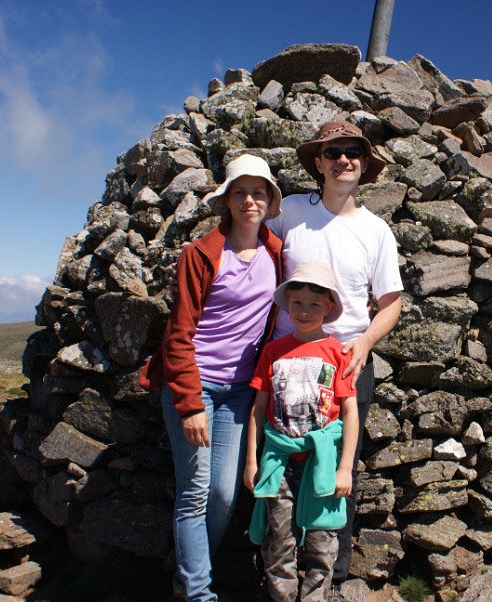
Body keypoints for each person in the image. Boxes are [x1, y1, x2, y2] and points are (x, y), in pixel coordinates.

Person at [267, 120, 403, 598]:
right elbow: (253, 249)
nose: (344, 159)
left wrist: (363, 344)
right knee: (279, 471)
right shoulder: (288, 213)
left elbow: (391, 303)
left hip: (346, 363)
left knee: (338, 471)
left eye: (353, 152)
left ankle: (331, 581)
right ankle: (280, 579)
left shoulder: (375, 230)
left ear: (363, 165)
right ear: (318, 163)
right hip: (284, 364)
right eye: (334, 152)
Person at [139, 154, 284, 601]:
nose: (249, 201)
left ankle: (186, 581)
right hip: (195, 385)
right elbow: (178, 336)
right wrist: (188, 404)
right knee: (195, 493)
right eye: (240, 192)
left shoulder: (277, 253)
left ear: (269, 201)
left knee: (224, 496)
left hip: (240, 392)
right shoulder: (201, 254)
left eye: (258, 192)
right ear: (227, 199)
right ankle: (201, 594)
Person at [244, 261, 358, 602]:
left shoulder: (338, 353)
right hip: (277, 462)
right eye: (297, 303)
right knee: (279, 540)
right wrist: (251, 461)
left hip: (321, 462)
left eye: (314, 304)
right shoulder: (273, 352)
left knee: (322, 542)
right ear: (287, 304)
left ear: (328, 308)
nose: (304, 311)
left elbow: (350, 412)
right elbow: (258, 409)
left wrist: (345, 467)